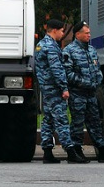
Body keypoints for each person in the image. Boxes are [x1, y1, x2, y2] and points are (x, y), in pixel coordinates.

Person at [35, 19, 87, 164]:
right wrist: (64, 88)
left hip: (46, 88)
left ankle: (47, 151)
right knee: (62, 120)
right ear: (55, 30)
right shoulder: (51, 47)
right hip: (54, 88)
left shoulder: (40, 45)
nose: (63, 33)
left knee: (48, 120)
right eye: (62, 31)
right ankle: (70, 152)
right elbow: (56, 69)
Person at [63, 21, 104, 162]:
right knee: (78, 123)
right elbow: (68, 73)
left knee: (95, 122)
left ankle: (103, 151)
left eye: (89, 33)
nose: (89, 35)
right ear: (78, 34)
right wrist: (85, 83)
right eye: (86, 33)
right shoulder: (69, 51)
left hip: (91, 94)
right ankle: (77, 151)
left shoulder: (91, 50)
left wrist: (98, 79)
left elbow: (96, 69)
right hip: (78, 94)